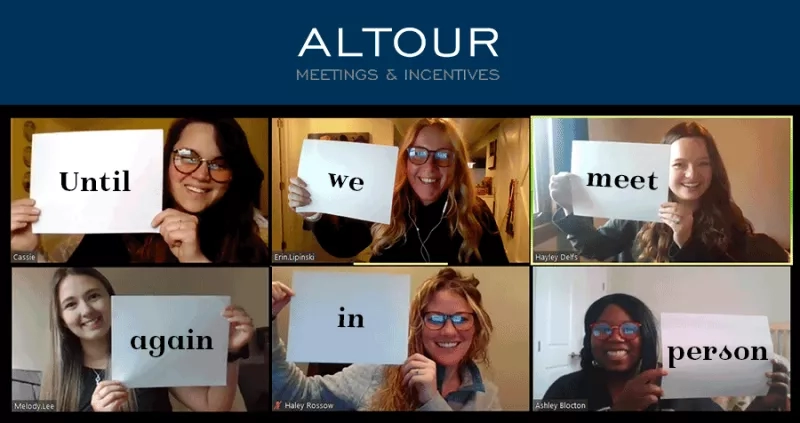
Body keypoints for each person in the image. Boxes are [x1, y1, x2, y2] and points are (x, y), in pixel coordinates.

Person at [10, 118, 269, 264]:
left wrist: (196, 260)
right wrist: (27, 253)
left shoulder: (251, 246)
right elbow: (69, 288)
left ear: (233, 174)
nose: (201, 175)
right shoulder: (119, 229)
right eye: (187, 156)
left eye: (219, 164)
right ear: (167, 161)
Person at [548, 121, 788, 262]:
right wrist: (569, 206)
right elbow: (596, 247)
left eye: (703, 163)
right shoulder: (638, 208)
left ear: (714, 168)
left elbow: (722, 282)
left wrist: (685, 240)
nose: (692, 175)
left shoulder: (726, 215)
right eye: (679, 164)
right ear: (662, 168)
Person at [270, 268, 501, 411]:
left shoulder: (486, 398)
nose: (449, 331)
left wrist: (431, 399)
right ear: (418, 325)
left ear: (477, 327)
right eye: (435, 318)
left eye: (461, 319)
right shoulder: (377, 371)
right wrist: (269, 320)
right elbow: (295, 395)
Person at [287, 118, 509, 264]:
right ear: (405, 161)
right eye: (418, 153)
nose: (430, 167)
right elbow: (342, 246)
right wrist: (313, 212)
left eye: (443, 155)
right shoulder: (384, 202)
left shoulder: (478, 214)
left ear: (457, 165)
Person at [39, 267, 255, 412]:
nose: (86, 310)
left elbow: (212, 406)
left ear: (111, 299)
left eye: (94, 296)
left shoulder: (151, 348)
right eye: (70, 304)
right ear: (61, 318)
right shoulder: (58, 377)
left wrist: (230, 352)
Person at [542, 293, 790, 411]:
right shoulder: (564, 390)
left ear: (646, 336)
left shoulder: (678, 384)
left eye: (629, 329)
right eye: (602, 329)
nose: (615, 337)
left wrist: (761, 406)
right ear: (590, 337)